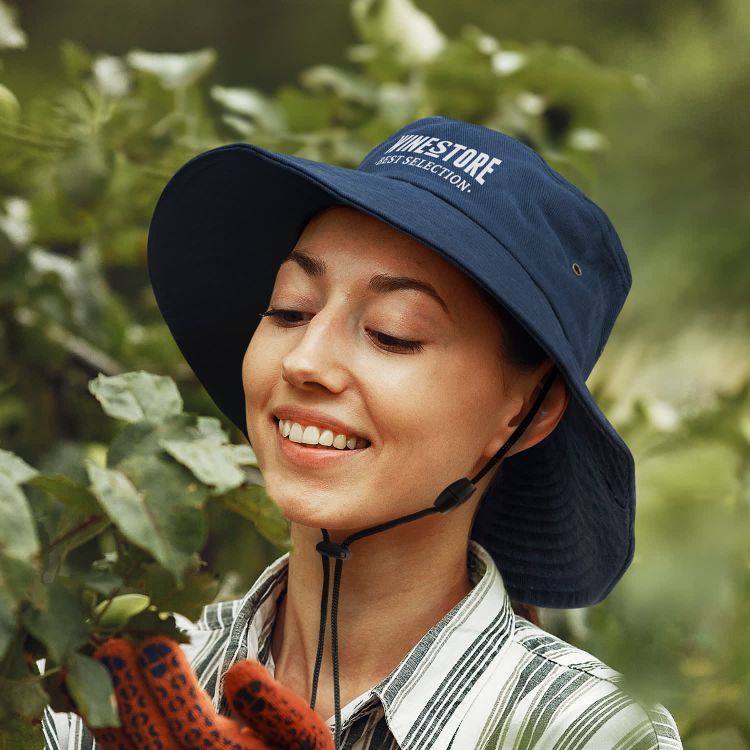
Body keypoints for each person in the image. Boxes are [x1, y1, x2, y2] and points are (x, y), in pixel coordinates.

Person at [43, 117, 683, 749]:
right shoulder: (108, 691)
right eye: (290, 309)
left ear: (523, 414)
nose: (304, 361)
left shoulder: (588, 733)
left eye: (392, 332)